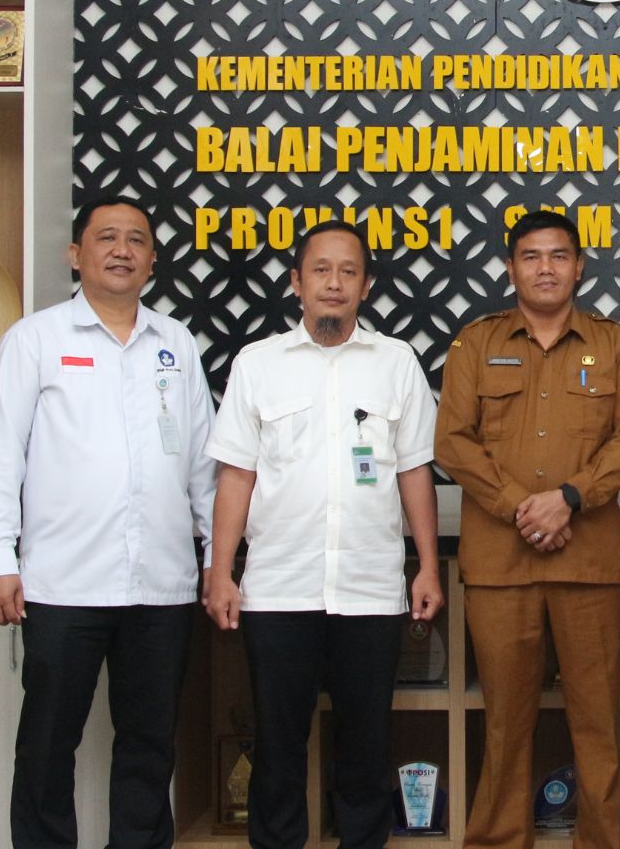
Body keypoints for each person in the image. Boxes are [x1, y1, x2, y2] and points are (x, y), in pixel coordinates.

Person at [0, 195, 217, 849]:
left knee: (150, 744)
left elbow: (202, 464)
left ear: (153, 261)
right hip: (62, 583)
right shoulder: (35, 340)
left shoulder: (175, 344)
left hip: (161, 585)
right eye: (107, 237)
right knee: (48, 742)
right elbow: (1, 456)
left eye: (137, 240)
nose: (122, 250)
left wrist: (216, 560)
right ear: (75, 254)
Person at [203, 221, 444, 849]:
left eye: (348, 271)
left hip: (370, 590)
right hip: (279, 590)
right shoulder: (258, 365)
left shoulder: (396, 363)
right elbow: (236, 476)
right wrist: (220, 571)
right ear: (296, 282)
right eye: (321, 270)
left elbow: (415, 471)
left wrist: (426, 566)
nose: (334, 283)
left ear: (365, 285)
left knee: (366, 746)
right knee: (277, 749)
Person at [434, 210, 620, 849]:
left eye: (559, 255)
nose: (546, 268)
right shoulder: (475, 344)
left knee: (598, 722)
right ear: (511, 268)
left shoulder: (616, 345)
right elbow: (453, 441)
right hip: (500, 566)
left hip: (591, 564)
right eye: (531, 256)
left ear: (579, 266)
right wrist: (521, 508)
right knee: (505, 723)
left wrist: (569, 499)